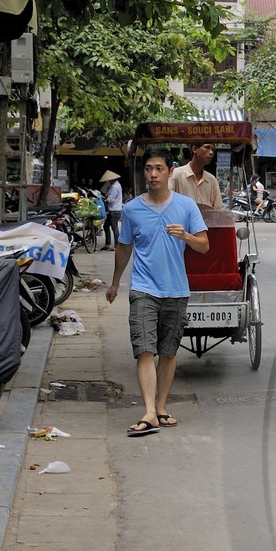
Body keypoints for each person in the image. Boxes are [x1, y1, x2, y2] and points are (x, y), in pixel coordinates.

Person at [107, 147, 209, 437]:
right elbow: (124, 247)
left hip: (176, 290)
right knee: (144, 350)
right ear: (144, 172)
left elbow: (204, 245)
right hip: (143, 288)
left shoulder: (186, 207)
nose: (153, 174)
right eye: (149, 168)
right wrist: (115, 282)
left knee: (167, 352)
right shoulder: (131, 209)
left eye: (159, 168)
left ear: (169, 171)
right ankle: (149, 411)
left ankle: (161, 407)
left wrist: (185, 235)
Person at [169, 141, 224, 211]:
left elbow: (219, 210)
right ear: (194, 149)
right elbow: (167, 205)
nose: (211, 153)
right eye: (207, 147)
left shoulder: (212, 180)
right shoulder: (176, 175)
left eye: (212, 150)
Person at [100, 169, 123, 250]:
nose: (108, 181)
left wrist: (105, 200)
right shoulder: (117, 185)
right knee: (106, 226)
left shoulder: (114, 187)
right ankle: (108, 244)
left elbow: (111, 199)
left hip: (114, 210)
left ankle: (117, 245)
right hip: (115, 210)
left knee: (114, 228)